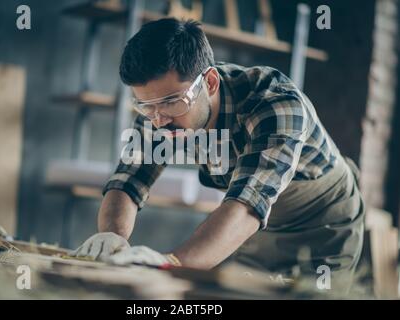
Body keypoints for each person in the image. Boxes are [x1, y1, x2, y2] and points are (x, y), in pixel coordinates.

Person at [71, 18, 365, 289]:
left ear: (210, 82)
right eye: (146, 106)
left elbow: (247, 206)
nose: (158, 120)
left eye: (173, 102)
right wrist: (111, 237)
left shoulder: (276, 105)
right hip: (258, 232)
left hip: (322, 227)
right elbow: (128, 180)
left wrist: (170, 266)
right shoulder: (158, 109)